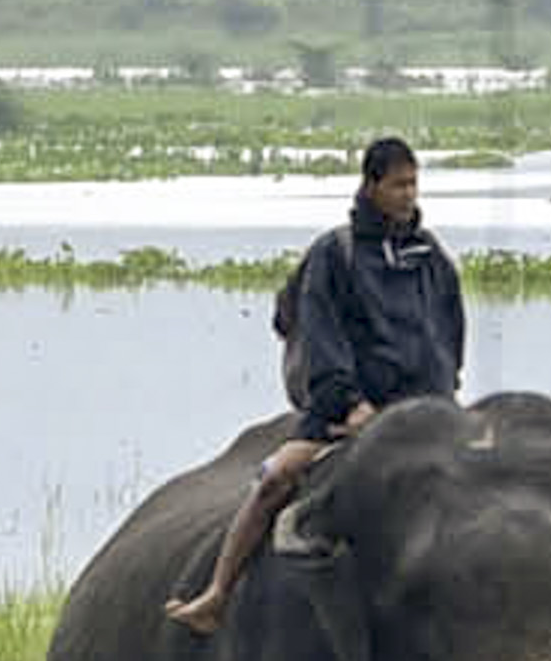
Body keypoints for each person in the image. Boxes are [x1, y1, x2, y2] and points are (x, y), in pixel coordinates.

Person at [166, 135, 468, 633]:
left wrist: (440, 400)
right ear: (370, 186)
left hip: (424, 414)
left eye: (414, 184)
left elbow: (447, 337)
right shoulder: (335, 255)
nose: (408, 195)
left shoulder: (430, 258)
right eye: (398, 185)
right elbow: (321, 334)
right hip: (345, 414)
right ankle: (217, 594)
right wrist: (350, 404)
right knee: (275, 480)